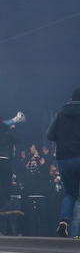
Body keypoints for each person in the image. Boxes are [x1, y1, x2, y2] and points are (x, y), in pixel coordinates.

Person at [46, 87, 80, 236]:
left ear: (71, 99)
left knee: (70, 193)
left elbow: (49, 135)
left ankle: (64, 221)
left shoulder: (60, 115)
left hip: (65, 159)